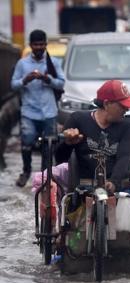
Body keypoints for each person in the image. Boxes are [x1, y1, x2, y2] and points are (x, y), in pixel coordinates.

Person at [55, 80, 130, 194]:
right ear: (106, 104)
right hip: (84, 188)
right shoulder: (77, 120)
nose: (126, 109)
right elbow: (60, 159)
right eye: (122, 106)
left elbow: (124, 158)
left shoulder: (128, 127)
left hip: (118, 186)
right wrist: (68, 143)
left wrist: (114, 182)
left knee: (129, 204)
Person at [11, 29, 65, 187]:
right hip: (29, 112)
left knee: (49, 145)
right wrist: (25, 80)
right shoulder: (23, 64)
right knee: (26, 142)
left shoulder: (53, 62)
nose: (39, 47)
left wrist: (46, 78)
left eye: (42, 44)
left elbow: (61, 83)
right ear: (31, 45)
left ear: (46, 45)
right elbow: (13, 85)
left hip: (49, 111)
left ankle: (45, 177)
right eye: (36, 44)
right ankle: (26, 171)